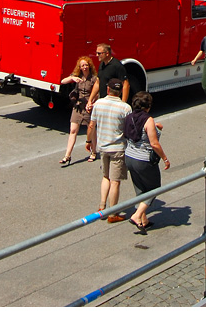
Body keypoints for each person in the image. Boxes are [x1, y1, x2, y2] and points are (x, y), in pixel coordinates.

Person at [123, 92, 170, 232]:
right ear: (148, 106)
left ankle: (144, 220)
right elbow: (154, 144)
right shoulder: (148, 119)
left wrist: (156, 127)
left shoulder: (129, 117)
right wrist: (165, 158)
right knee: (155, 187)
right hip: (143, 159)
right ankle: (137, 215)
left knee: (140, 189)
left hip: (129, 157)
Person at [87, 77, 132, 223]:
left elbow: (92, 125)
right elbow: (129, 129)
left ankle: (102, 207)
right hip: (118, 148)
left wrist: (89, 141)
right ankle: (113, 213)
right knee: (115, 181)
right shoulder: (125, 108)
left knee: (105, 177)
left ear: (107, 89)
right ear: (120, 92)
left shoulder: (98, 103)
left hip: (103, 147)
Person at [59, 56, 97, 166]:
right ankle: (67, 156)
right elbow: (62, 81)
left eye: (86, 65)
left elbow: (97, 94)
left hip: (89, 107)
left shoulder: (94, 79)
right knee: (73, 131)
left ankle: (93, 152)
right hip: (78, 107)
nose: (84, 67)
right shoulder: (77, 76)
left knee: (91, 130)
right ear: (79, 67)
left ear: (89, 65)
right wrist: (72, 79)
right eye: (82, 66)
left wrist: (92, 103)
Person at [89, 43, 129, 109]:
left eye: (99, 53)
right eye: (96, 53)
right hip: (103, 101)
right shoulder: (101, 65)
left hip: (113, 103)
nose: (96, 55)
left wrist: (123, 103)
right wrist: (90, 100)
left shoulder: (117, 66)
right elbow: (98, 82)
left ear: (107, 53)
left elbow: (125, 84)